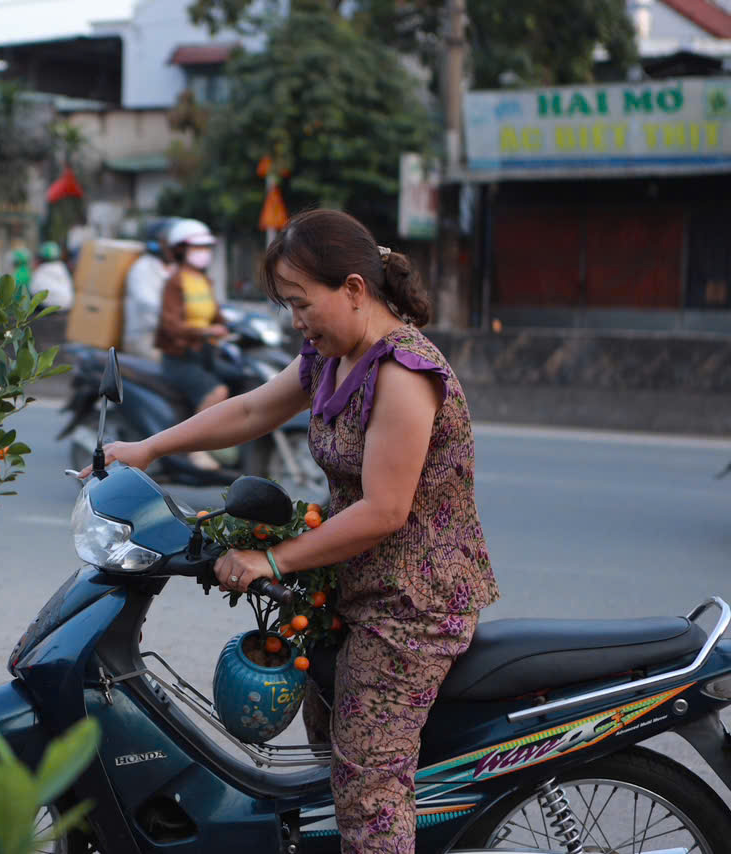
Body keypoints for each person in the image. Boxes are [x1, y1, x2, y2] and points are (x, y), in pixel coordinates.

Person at [92, 208, 499, 853]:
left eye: (304, 304)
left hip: (411, 606)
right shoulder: (331, 359)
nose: (297, 322)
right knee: (325, 764)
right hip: (353, 586)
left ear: (356, 290)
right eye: (288, 307)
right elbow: (253, 408)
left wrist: (273, 561)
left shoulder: (404, 374)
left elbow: (385, 511)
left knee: (367, 790)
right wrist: (147, 448)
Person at [154, 218, 228, 412]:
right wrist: (205, 331)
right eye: (197, 248)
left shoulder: (204, 280)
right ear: (180, 250)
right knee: (217, 392)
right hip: (180, 359)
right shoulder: (175, 282)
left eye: (206, 247)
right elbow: (171, 325)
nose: (204, 252)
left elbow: (217, 316)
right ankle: (197, 441)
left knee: (243, 378)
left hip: (206, 355)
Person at [120, 218, 176, 359]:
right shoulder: (142, 268)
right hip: (145, 337)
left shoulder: (175, 269)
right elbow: (146, 302)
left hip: (171, 334)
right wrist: (176, 316)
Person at [29, 240, 73, 309]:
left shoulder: (40, 270)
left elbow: (32, 290)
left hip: (47, 307)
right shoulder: (62, 267)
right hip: (67, 305)